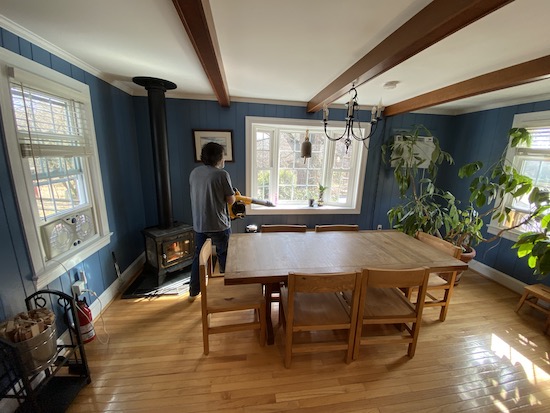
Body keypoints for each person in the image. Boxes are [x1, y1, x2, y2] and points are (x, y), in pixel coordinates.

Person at [188, 142, 235, 302]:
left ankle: (194, 291)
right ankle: (227, 289)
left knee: (198, 257)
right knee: (224, 254)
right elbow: (230, 200)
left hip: (199, 224)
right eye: (223, 156)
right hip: (219, 224)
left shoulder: (194, 173)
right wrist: (233, 194)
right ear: (219, 158)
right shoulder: (222, 175)